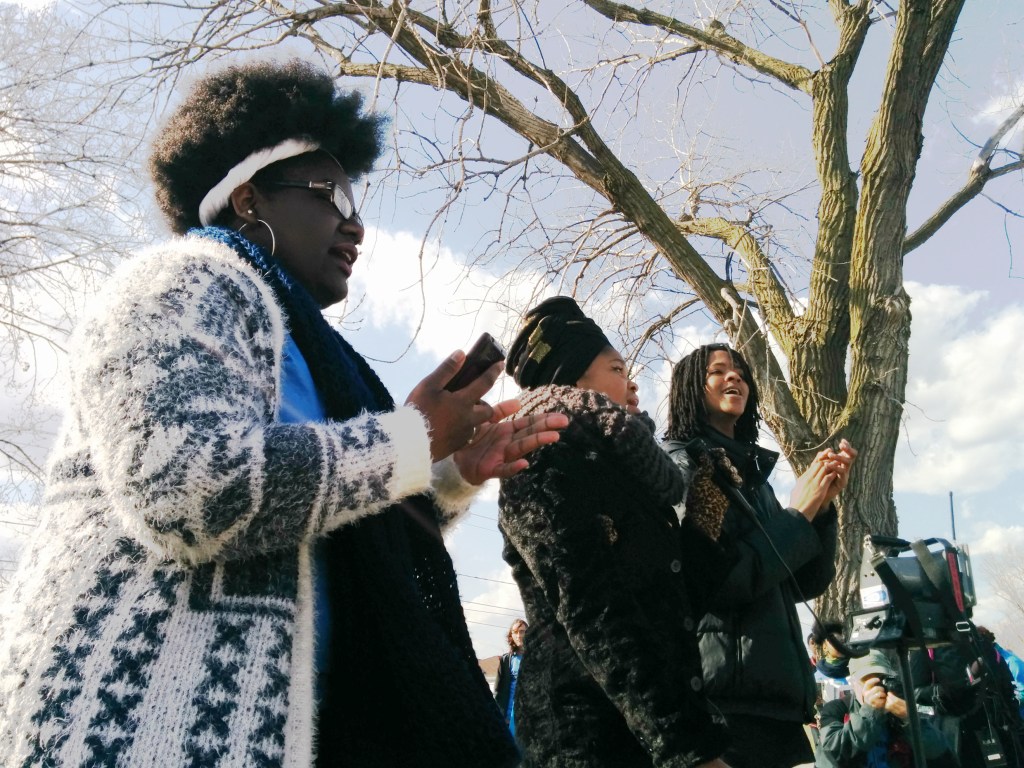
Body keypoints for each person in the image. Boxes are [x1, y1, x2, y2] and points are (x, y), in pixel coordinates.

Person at [0, 60, 568, 767]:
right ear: (247, 198)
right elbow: (184, 485)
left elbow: (339, 526)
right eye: (332, 193)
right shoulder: (184, 280)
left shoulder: (316, 353)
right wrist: (409, 440)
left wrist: (446, 473)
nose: (356, 224)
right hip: (141, 733)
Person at [497, 296, 730, 768]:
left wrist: (705, 523)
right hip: (585, 736)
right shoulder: (540, 457)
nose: (632, 382)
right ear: (576, 377)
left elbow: (675, 607)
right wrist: (686, 745)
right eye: (617, 368)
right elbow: (592, 608)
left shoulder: (631, 470)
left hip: (650, 729)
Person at [664, 343, 857, 768]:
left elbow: (803, 582)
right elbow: (721, 581)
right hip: (724, 709)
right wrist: (797, 513)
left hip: (781, 707)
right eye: (717, 372)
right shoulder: (681, 466)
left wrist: (820, 512)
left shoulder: (756, 481)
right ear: (690, 389)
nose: (735, 378)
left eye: (741, 373)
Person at [816, 650, 951, 768]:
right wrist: (869, 712)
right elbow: (835, 753)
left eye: (879, 679)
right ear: (853, 682)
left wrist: (910, 719)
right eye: (866, 680)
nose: (875, 687)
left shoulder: (896, 708)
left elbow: (938, 750)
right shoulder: (836, 709)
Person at [494, 618, 528, 735]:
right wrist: (501, 715)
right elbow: (498, 691)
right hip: (510, 717)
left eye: (522, 631)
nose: (519, 635)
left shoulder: (537, 656)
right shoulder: (506, 660)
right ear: (511, 635)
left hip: (531, 717)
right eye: (515, 632)